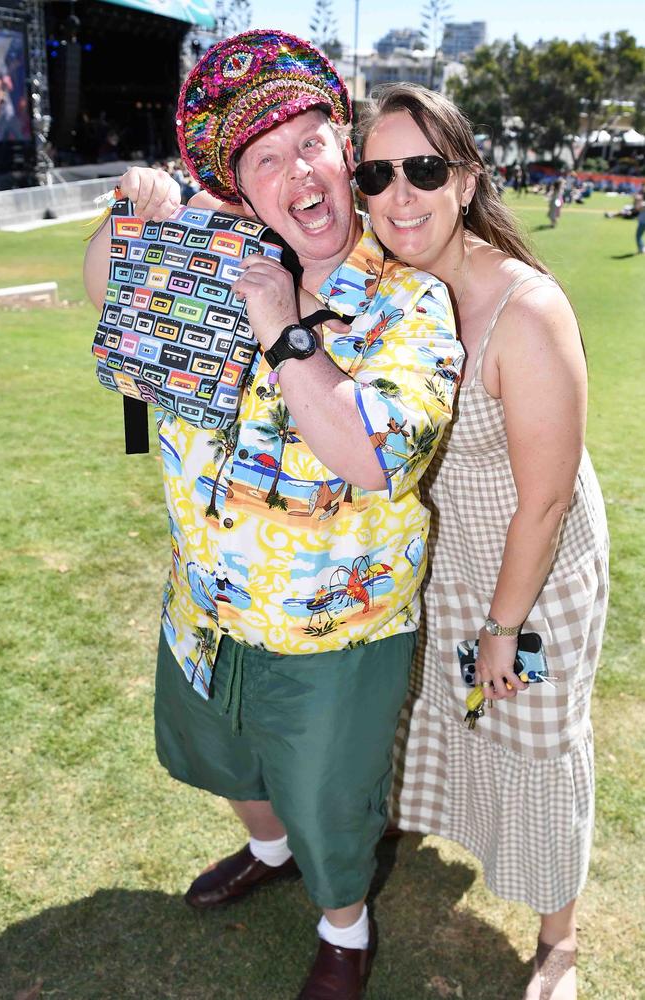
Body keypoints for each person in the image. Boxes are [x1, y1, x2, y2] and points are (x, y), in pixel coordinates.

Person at [83, 32, 463, 1000]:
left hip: (333, 624)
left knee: (330, 801)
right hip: (204, 603)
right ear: (240, 193)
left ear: (345, 155)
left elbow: (372, 456)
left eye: (308, 143)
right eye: (262, 158)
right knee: (219, 755)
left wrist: (281, 326)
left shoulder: (406, 301)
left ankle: (344, 927)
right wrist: (132, 209)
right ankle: (269, 851)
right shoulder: (209, 259)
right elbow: (102, 290)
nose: (295, 169)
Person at [355, 83, 609, 1000]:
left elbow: (543, 504)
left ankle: (559, 941)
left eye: (422, 169)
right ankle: (415, 825)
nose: (398, 195)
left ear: (465, 179)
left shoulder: (525, 311)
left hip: (529, 579)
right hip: (444, 564)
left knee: (534, 736)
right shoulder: (385, 285)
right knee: (434, 712)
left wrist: (503, 628)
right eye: (375, 174)